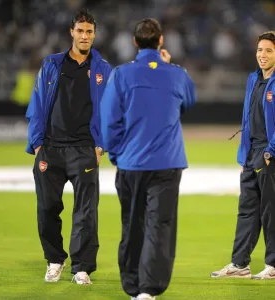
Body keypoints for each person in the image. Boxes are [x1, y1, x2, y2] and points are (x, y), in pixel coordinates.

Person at [100, 18, 196, 300]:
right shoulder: (177, 74)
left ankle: (133, 285)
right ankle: (148, 290)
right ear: (161, 41)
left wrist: (117, 153)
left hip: (131, 164)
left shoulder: (121, 75)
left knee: (133, 225)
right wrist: (168, 65)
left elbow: (108, 122)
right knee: (160, 225)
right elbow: (189, 101)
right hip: (167, 163)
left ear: (134, 42)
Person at [25, 8, 112, 284]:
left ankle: (82, 267)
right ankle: (54, 260)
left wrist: (101, 147)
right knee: (47, 208)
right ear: (71, 33)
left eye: (89, 31)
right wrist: (37, 144)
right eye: (80, 31)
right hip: (50, 148)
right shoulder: (51, 64)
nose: (85, 36)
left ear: (94, 35)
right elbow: (37, 104)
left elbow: (111, 111)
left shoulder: (103, 69)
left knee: (86, 211)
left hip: (85, 149)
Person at [211, 31, 275, 279]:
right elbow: (247, 120)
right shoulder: (253, 79)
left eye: (268, 50)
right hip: (251, 155)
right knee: (247, 210)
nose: (262, 55)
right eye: (260, 50)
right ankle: (240, 264)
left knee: (271, 211)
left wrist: (270, 152)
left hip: (269, 153)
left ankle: (272, 265)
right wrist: (243, 155)